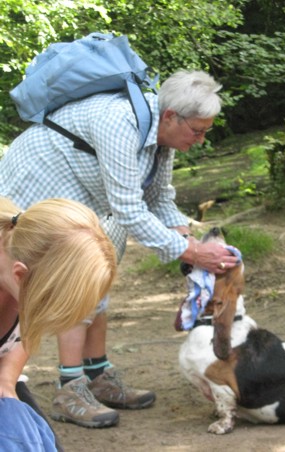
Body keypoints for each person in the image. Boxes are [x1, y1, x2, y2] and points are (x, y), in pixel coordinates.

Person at [0, 69, 239, 428]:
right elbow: (128, 207)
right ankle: (69, 386)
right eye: (198, 131)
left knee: (98, 276)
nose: (202, 139)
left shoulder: (161, 137)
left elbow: (158, 197)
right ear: (171, 116)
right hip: (37, 186)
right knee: (62, 281)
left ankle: (96, 373)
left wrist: (191, 240)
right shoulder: (119, 122)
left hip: (89, 196)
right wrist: (190, 253)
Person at [0, 196, 117, 450]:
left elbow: (26, 332)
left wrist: (7, 378)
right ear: (20, 276)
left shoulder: (23, 268)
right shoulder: (24, 280)